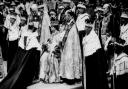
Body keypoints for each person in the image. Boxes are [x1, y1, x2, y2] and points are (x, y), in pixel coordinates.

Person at [0, 20, 41, 89]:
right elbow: (37, 48)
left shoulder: (24, 34)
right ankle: (32, 78)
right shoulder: (33, 36)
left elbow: (22, 45)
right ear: (34, 29)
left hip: (22, 55)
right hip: (29, 56)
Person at [82, 16, 107, 89]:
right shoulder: (85, 36)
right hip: (87, 60)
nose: (85, 29)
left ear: (90, 28)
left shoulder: (94, 36)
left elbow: (95, 50)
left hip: (94, 61)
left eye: (86, 27)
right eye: (85, 27)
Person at [59, 10, 82, 84]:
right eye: (65, 15)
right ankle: (66, 76)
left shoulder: (73, 25)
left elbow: (73, 38)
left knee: (70, 60)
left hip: (71, 46)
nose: (66, 17)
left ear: (71, 16)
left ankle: (71, 78)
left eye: (67, 15)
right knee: (66, 60)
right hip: (67, 45)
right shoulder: (68, 24)